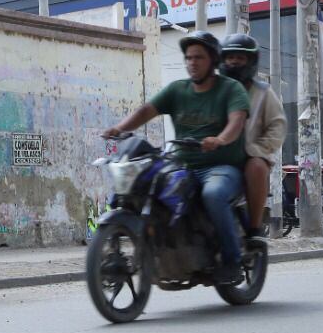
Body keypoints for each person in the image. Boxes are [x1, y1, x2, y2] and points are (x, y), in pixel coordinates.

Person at [103, 31, 249, 283]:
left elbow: (237, 120)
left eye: (199, 58)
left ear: (213, 61)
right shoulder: (177, 90)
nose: (192, 62)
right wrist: (121, 128)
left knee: (212, 194)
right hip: (182, 164)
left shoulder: (230, 89)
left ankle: (232, 260)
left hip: (221, 167)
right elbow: (147, 110)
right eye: (189, 58)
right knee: (145, 186)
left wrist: (221, 139)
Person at [217, 32, 286, 237]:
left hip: (249, 156)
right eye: (230, 58)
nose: (234, 63)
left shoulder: (263, 92)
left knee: (256, 166)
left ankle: (254, 230)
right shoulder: (214, 89)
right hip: (216, 154)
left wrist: (257, 149)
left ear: (250, 61)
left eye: (240, 58)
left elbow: (278, 126)